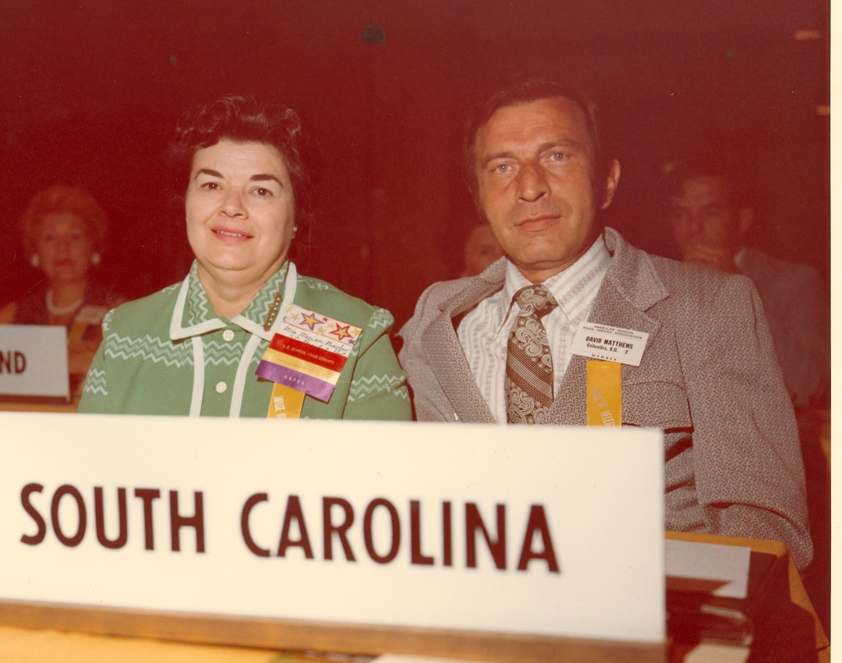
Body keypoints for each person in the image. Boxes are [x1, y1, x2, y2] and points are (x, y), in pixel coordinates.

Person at [398, 79, 811, 569]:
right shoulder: (436, 321)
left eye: (557, 156)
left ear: (607, 181)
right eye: (502, 166)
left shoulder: (706, 307)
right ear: (479, 195)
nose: (529, 188)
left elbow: (768, 535)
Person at [79, 95, 411, 420]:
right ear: (185, 202)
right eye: (211, 186)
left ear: (297, 216)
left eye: (261, 191)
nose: (232, 206)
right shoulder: (124, 334)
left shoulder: (356, 335)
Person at [664, 151, 829, 409]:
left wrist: (740, 294)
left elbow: (810, 385)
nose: (693, 228)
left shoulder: (796, 282)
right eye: (681, 214)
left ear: (742, 220)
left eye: (710, 213)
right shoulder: (657, 284)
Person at [0, 185, 124, 398]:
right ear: (34, 252)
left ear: (94, 247)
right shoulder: (12, 315)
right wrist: (64, 362)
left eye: (75, 236)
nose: (62, 247)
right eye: (49, 237)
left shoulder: (121, 312)